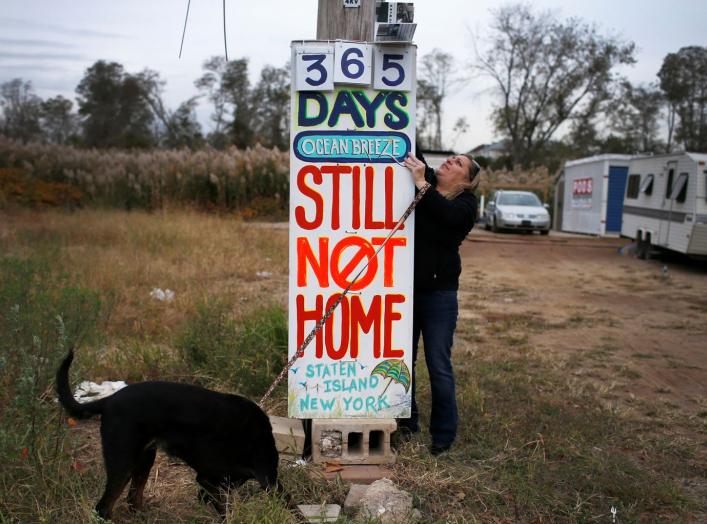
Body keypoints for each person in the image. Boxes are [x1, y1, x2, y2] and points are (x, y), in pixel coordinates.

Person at [399, 151, 480, 455]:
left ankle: (442, 437)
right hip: (404, 291)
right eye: (451, 157)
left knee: (438, 365)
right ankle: (407, 424)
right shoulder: (427, 179)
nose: (450, 161)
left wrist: (421, 183)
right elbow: (410, 143)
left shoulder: (466, 205)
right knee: (404, 361)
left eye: (458, 163)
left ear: (467, 181)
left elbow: (446, 217)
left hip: (439, 296)